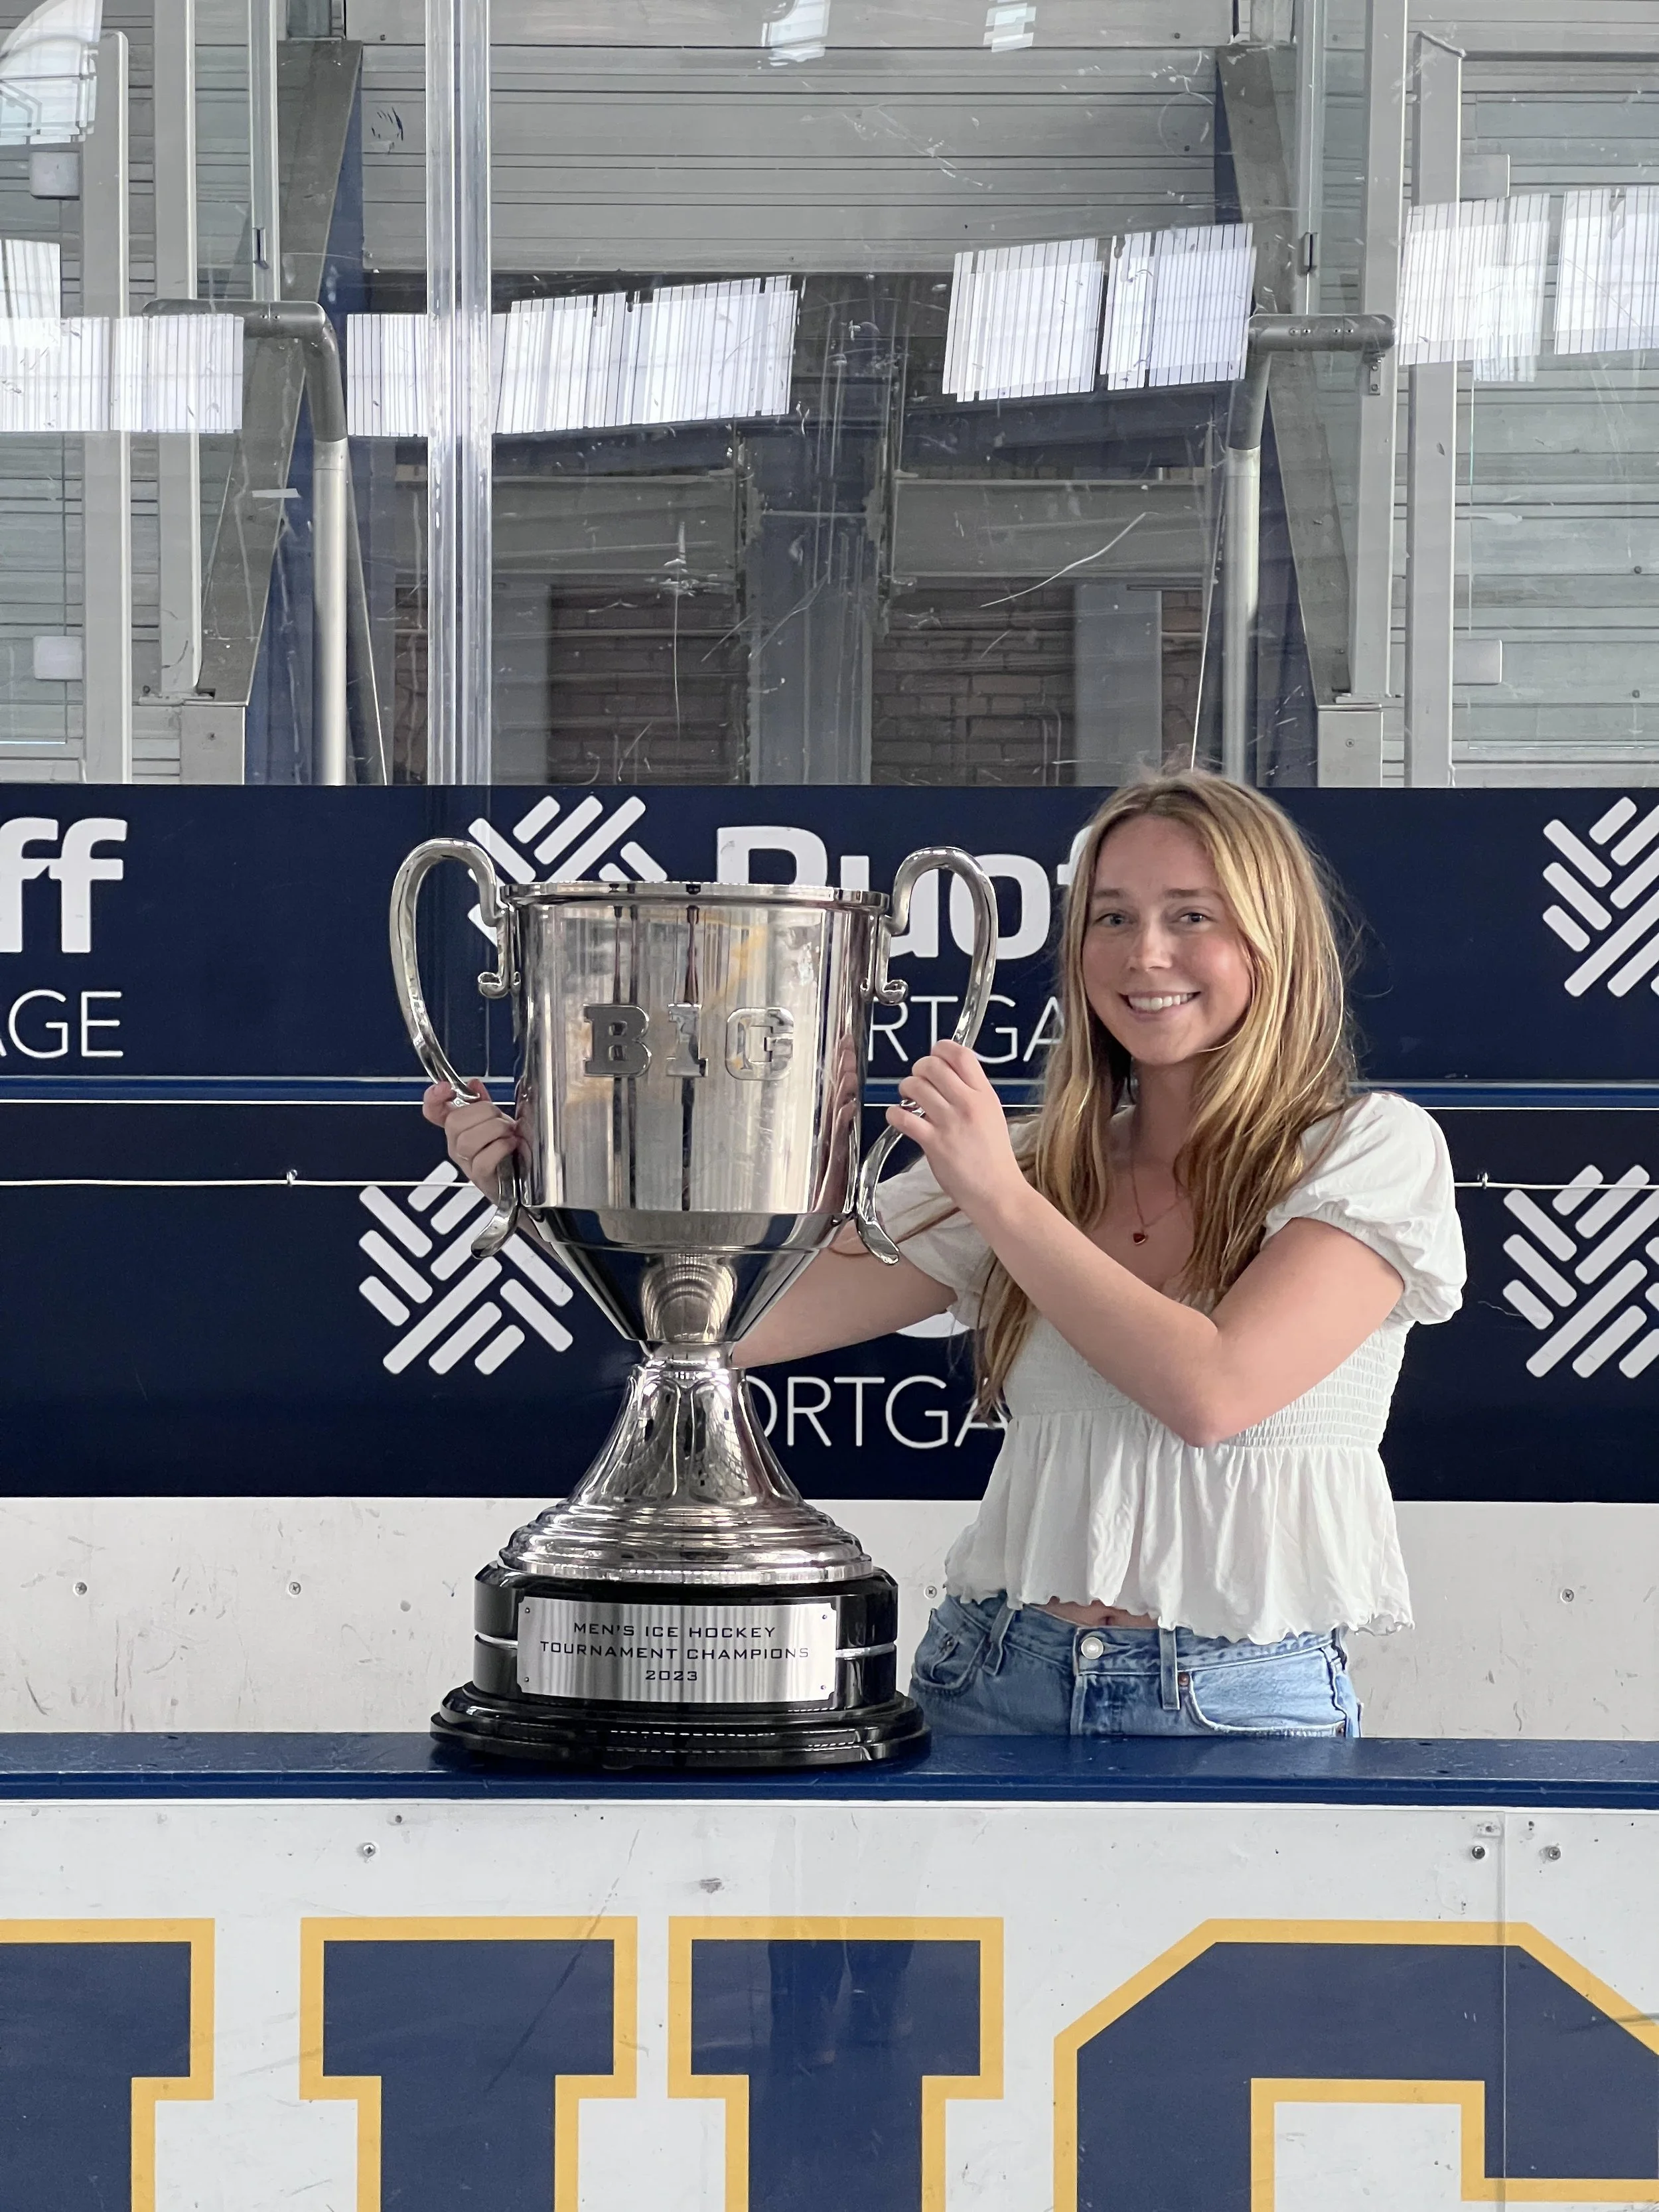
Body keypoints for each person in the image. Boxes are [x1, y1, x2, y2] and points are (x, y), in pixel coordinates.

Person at [427, 772, 1465, 1739]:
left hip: (1244, 1698)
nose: (1146, 954)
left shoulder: (1369, 1148)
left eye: (1191, 915)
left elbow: (1212, 1392)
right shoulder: (1026, 1165)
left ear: (1271, 940)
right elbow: (736, 1330)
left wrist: (1002, 1198)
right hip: (992, 1677)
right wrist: (559, 1199)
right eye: (1112, 917)